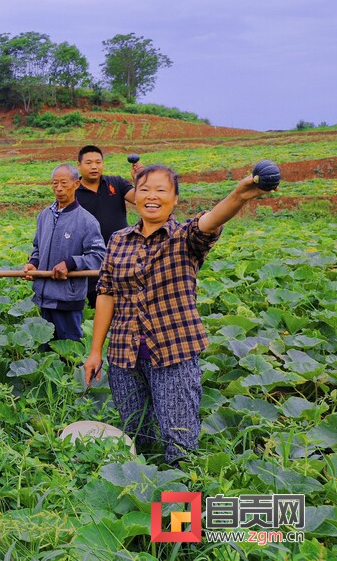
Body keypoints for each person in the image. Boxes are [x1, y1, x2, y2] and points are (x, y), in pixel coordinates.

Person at [83, 165, 274, 464]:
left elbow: (210, 221)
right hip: (124, 355)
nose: (151, 196)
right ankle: (141, 493)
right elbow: (106, 293)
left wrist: (239, 196)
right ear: (135, 196)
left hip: (174, 354)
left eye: (161, 190)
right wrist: (95, 351)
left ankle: (181, 501)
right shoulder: (119, 240)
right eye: (144, 189)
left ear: (174, 198)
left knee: (180, 440)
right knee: (135, 435)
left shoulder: (185, 237)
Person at [23, 164, 106, 342]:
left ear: (76, 184)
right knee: (46, 352)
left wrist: (71, 263)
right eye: (55, 184)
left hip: (67, 299)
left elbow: (99, 256)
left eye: (64, 183)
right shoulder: (44, 216)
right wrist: (34, 263)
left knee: (69, 355)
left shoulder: (86, 220)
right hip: (44, 297)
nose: (59, 188)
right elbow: (37, 247)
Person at [75, 145, 141, 308]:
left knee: (125, 301)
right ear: (79, 165)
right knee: (96, 303)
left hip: (121, 254)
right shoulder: (73, 191)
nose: (94, 166)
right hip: (90, 258)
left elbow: (139, 199)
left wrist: (139, 180)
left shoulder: (116, 183)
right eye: (89, 162)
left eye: (98, 162)